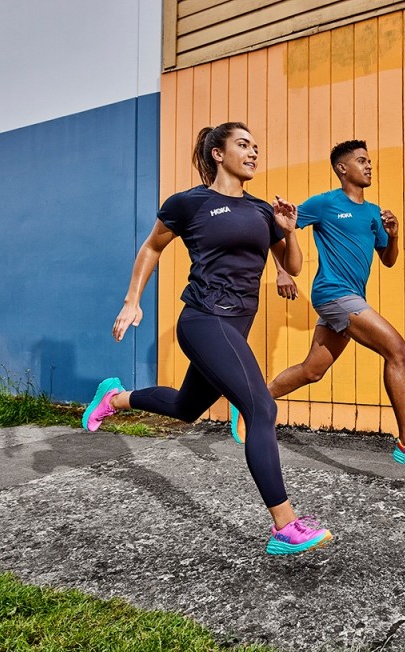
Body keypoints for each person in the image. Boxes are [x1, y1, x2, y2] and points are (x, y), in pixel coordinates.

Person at [82, 122, 332, 556]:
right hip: (203, 319)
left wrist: (289, 229)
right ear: (218, 153)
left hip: (236, 324)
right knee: (261, 407)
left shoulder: (261, 211)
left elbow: (292, 266)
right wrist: (132, 301)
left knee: (186, 407)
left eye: (256, 147)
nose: (253, 153)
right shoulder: (189, 203)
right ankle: (285, 526)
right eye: (243, 145)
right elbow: (152, 247)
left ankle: (115, 398)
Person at [230, 140, 405, 471]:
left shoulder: (374, 213)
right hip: (332, 293)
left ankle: (251, 401)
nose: (369, 166)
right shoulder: (325, 203)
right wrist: (282, 271)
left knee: (311, 371)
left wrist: (394, 235)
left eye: (369, 161)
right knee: (398, 351)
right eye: (361, 161)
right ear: (342, 169)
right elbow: (278, 229)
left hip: (352, 297)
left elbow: (388, 260)